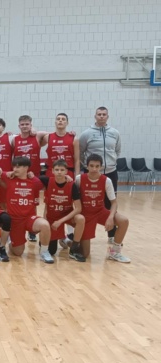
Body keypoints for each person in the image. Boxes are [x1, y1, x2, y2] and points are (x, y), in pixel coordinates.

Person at [75, 154, 130, 263]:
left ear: (101, 167)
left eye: (97, 166)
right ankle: (72, 241)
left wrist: (110, 217)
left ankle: (114, 252)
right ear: (87, 166)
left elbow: (114, 202)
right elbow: (74, 198)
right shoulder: (79, 179)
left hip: (100, 211)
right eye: (91, 166)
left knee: (124, 221)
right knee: (85, 254)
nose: (94, 169)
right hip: (86, 214)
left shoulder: (106, 180)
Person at [0, 157, 54, 264]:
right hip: (15, 220)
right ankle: (11, 240)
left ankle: (44, 251)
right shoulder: (9, 178)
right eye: (14, 167)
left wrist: (67, 177)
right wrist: (7, 172)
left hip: (29, 218)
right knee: (18, 252)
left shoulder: (34, 181)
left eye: (18, 167)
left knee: (45, 225)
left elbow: (54, 181)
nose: (15, 169)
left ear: (26, 168)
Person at [78, 106, 122, 239]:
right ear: (95, 116)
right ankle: (83, 233)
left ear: (107, 117)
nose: (101, 116)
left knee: (110, 202)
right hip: (91, 172)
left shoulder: (115, 133)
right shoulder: (86, 134)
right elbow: (80, 152)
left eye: (104, 114)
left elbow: (117, 151)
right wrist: (87, 167)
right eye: (99, 114)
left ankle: (111, 235)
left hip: (111, 172)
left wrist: (111, 162)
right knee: (87, 201)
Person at [40, 159, 86, 262]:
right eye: (57, 170)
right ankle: (63, 239)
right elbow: (31, 178)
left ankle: (73, 249)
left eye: (62, 170)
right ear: (52, 171)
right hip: (52, 217)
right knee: (51, 251)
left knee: (81, 218)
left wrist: (60, 221)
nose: (59, 172)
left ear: (66, 171)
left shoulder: (72, 185)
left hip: (66, 215)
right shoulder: (47, 181)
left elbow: (78, 208)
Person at [41, 113, 79, 178]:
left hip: (68, 172)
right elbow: (36, 144)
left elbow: (77, 160)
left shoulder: (74, 139)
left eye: (63, 119)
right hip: (52, 172)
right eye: (58, 119)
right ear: (55, 122)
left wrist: (77, 176)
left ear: (67, 123)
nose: (60, 120)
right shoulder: (47, 137)